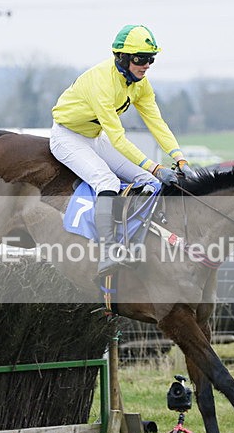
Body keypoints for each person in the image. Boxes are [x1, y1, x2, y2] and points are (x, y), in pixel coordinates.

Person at [49, 24, 195, 277]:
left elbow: (157, 123)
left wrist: (179, 158)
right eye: (140, 59)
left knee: (150, 182)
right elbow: (118, 138)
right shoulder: (102, 82)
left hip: (95, 137)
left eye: (151, 59)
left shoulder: (140, 84)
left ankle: (135, 241)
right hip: (67, 137)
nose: (146, 65)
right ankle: (108, 252)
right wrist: (156, 166)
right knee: (107, 181)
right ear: (122, 58)